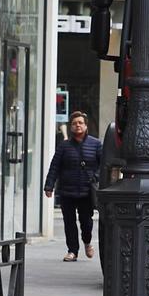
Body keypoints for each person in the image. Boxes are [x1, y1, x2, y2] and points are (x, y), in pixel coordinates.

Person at [45, 111, 102, 261]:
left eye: (80, 123)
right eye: (74, 123)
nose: (77, 125)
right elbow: (54, 166)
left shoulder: (96, 144)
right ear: (71, 127)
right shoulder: (64, 146)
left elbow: (104, 165)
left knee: (86, 222)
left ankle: (87, 242)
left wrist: (96, 177)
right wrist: (49, 186)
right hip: (67, 190)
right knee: (69, 222)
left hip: (86, 191)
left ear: (86, 125)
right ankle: (72, 251)